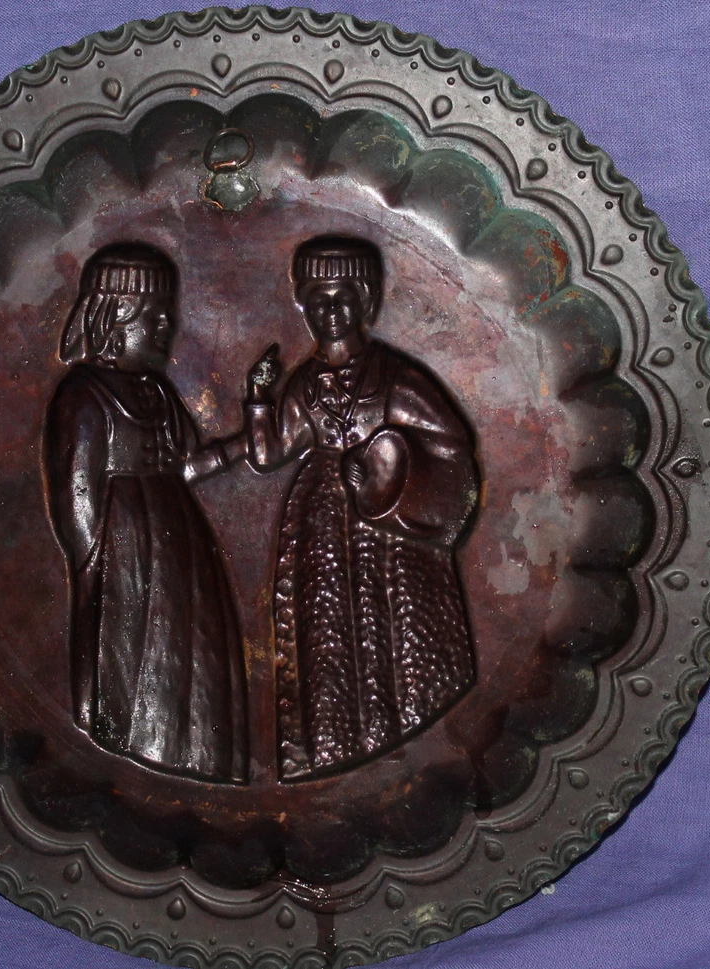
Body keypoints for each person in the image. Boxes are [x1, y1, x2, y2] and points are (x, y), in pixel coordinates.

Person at [243, 237, 478, 780]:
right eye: (318, 299)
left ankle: (407, 734)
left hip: (389, 528)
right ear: (303, 305)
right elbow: (270, 454)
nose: (330, 310)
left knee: (396, 626)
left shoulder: (396, 376)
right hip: (321, 524)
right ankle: (335, 742)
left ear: (366, 300)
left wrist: (382, 464)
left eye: (343, 297)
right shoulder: (305, 383)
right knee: (327, 631)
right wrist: (257, 399)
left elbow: (450, 443)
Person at [45, 243, 247, 783]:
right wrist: (100, 564)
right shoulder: (83, 394)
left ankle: (187, 750)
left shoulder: (156, 390)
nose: (167, 327)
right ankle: (131, 743)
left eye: (168, 314)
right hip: (125, 553)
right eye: (154, 316)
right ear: (116, 318)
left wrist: (240, 444)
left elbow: (184, 466)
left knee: (187, 648)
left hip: (179, 544)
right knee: (133, 651)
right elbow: (76, 497)